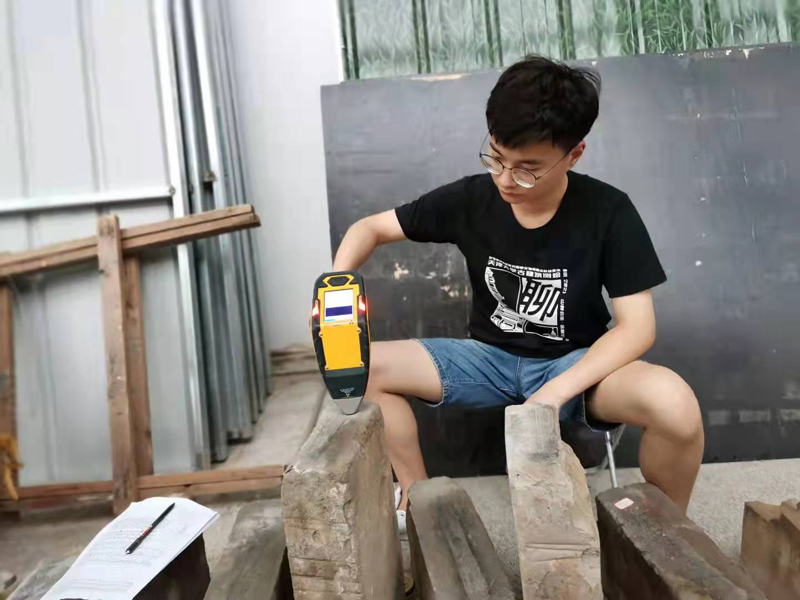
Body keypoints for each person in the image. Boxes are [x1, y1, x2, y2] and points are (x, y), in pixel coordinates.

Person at [331, 55, 704, 535]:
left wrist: (554, 393)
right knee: (358, 368)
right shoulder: (472, 198)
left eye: (528, 170)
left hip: (574, 364)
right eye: (496, 158)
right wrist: (333, 291)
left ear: (574, 155)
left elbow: (638, 328)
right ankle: (419, 502)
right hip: (487, 359)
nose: (506, 180)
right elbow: (369, 229)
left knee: (675, 406)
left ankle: (669, 539)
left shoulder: (608, 212)